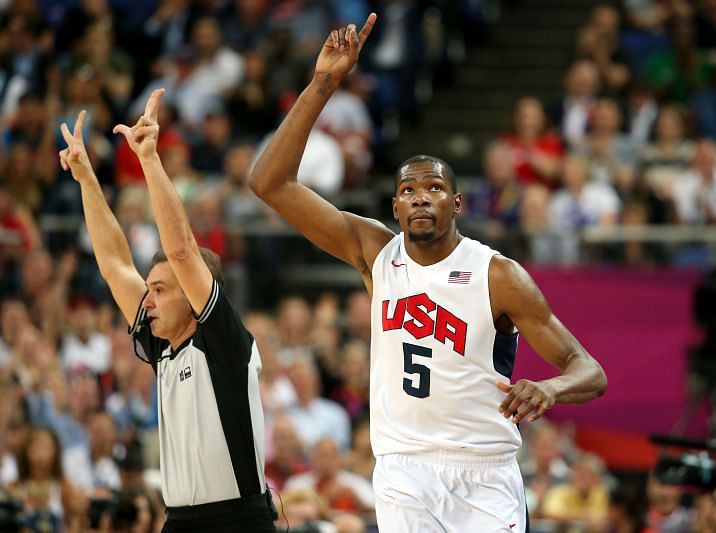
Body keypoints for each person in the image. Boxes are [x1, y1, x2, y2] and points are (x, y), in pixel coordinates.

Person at [249, 14, 607, 532]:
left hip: (484, 470)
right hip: (402, 468)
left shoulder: (497, 275)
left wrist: (551, 388)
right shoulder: (374, 253)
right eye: (409, 190)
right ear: (395, 207)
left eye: (434, 188)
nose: (421, 196)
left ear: (457, 202)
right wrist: (323, 84)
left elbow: (589, 370)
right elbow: (269, 182)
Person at [60, 92, 277, 531]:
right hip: (178, 521)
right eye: (150, 289)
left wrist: (149, 160)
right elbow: (115, 264)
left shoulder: (222, 342)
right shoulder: (162, 344)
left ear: (197, 296)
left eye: (159, 290)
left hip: (237, 522)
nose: (147, 299)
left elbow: (181, 250)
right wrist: (86, 179)